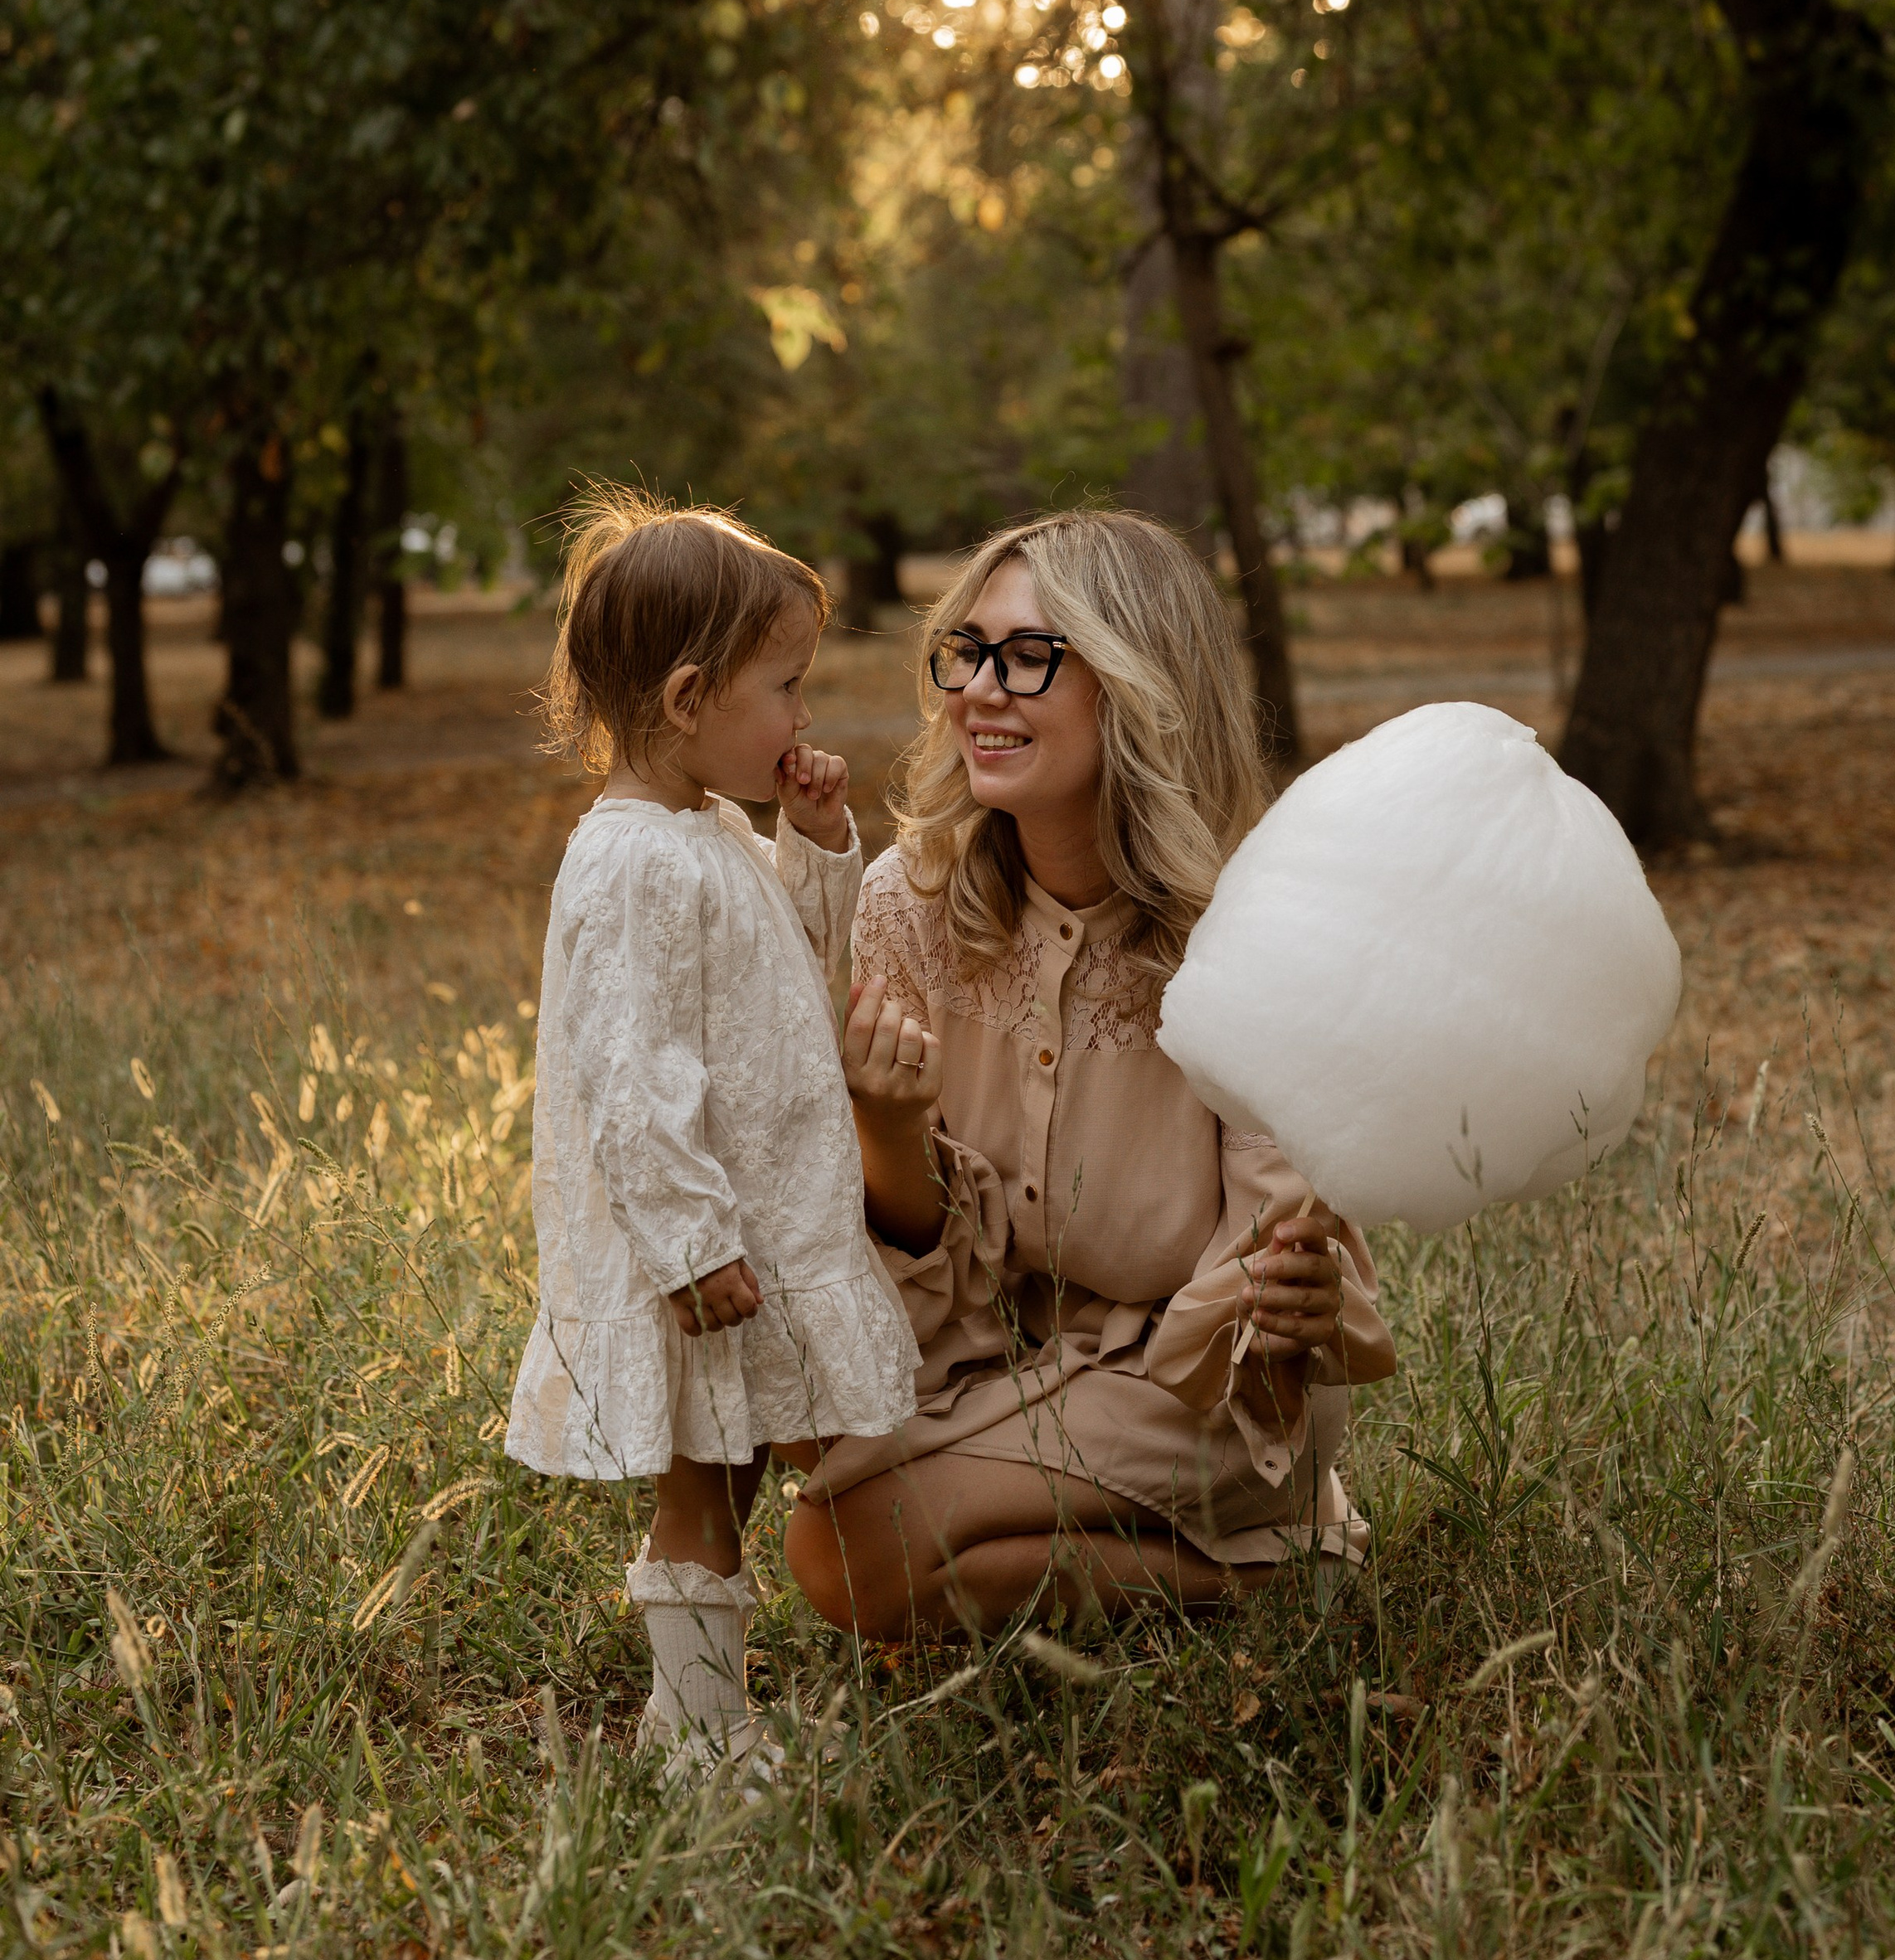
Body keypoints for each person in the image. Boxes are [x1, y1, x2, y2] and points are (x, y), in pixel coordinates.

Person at [785, 508, 1396, 1639]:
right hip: (986, 1356)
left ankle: (1275, 1571)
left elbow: (1267, 1279)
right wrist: (885, 1127)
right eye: (965, 651)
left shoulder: (1259, 941)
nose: (979, 689)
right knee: (806, 1443)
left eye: (1029, 658)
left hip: (1189, 1389)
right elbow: (930, 1275)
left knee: (840, 1553)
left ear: (1138, 681)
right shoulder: (908, 908)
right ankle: (1225, 1569)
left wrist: (1296, 1299)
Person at [506, 488, 922, 1768]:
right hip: (701, 1250)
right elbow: (627, 1077)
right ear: (689, 702)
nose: (805, 716)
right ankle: (695, 1733)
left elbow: (790, 968)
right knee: (702, 1484)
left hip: (755, 1221)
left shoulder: (709, 832)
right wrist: (688, 1245)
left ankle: (700, 1713)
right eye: (786, 688)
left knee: (731, 1473)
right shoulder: (631, 860)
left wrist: (818, 843)